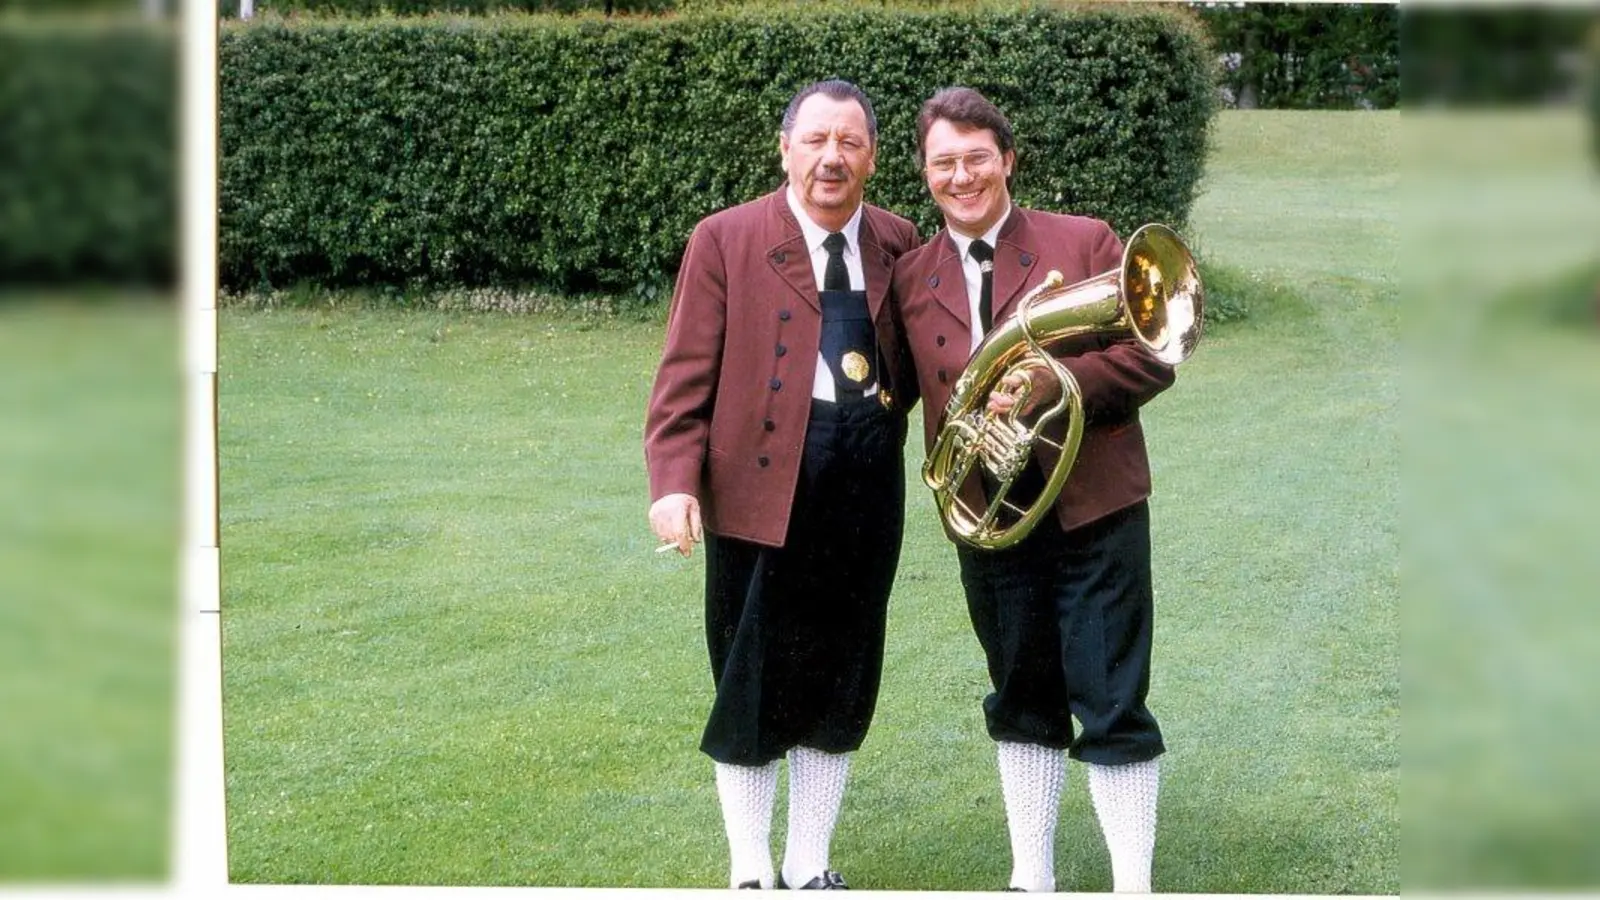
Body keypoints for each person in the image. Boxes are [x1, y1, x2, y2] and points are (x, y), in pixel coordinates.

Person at [889, 86, 1173, 893]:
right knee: (1019, 692)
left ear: (1007, 160)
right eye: (944, 162)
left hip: (1096, 506)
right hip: (991, 517)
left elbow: (1153, 354)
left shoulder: (1082, 242)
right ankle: (1030, 878)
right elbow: (903, 390)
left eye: (977, 158)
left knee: (1112, 696)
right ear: (925, 173)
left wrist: (1062, 385)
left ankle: (1132, 883)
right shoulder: (912, 274)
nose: (962, 176)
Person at [643, 79, 921, 891]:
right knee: (751, 678)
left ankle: (810, 863)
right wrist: (673, 481)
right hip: (757, 493)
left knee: (841, 679)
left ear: (872, 156)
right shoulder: (726, 239)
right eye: (815, 140)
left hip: (867, 494)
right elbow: (684, 375)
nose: (831, 158)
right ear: (785, 148)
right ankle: (750, 868)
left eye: (850, 142)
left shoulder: (899, 242)